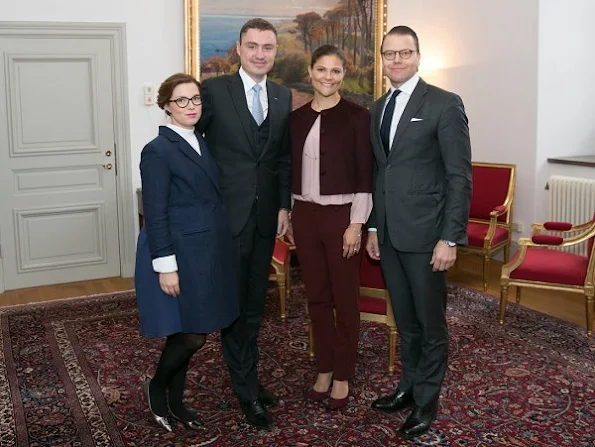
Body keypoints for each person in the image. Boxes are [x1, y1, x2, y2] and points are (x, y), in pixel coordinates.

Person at [366, 26, 472, 439]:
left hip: (428, 236)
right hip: (390, 234)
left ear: (417, 56)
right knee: (405, 322)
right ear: (382, 58)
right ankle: (408, 387)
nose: (396, 60)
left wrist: (450, 237)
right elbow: (381, 172)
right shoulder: (378, 107)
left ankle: (427, 400)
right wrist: (374, 225)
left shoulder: (445, 104)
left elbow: (459, 177)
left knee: (430, 324)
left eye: (404, 53)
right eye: (389, 54)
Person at [197, 18, 292, 429]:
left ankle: (247, 377)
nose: (259, 54)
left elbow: (282, 158)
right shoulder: (214, 91)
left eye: (267, 47)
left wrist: (285, 205)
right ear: (238, 48)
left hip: (266, 216)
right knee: (234, 306)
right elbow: (193, 147)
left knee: (255, 304)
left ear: (275, 52)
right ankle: (246, 390)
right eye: (252, 46)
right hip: (227, 215)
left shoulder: (283, 95)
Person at [135, 73, 238, 432]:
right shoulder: (157, 150)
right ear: (166, 105)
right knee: (192, 332)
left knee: (193, 329)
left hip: (206, 252)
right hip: (179, 254)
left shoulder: (198, 141)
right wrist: (165, 266)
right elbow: (155, 211)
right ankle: (158, 386)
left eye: (195, 99)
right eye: (182, 100)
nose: (191, 106)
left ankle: (176, 403)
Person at [289, 45, 372, 410]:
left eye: (335, 71)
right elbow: (287, 169)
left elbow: (366, 175)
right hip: (304, 217)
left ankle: (342, 374)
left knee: (344, 299)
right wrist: (290, 214)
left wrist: (357, 224)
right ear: (310, 72)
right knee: (316, 298)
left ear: (343, 74)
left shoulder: (357, 116)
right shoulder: (295, 118)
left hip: (342, 219)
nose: (328, 77)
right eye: (321, 70)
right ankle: (323, 368)